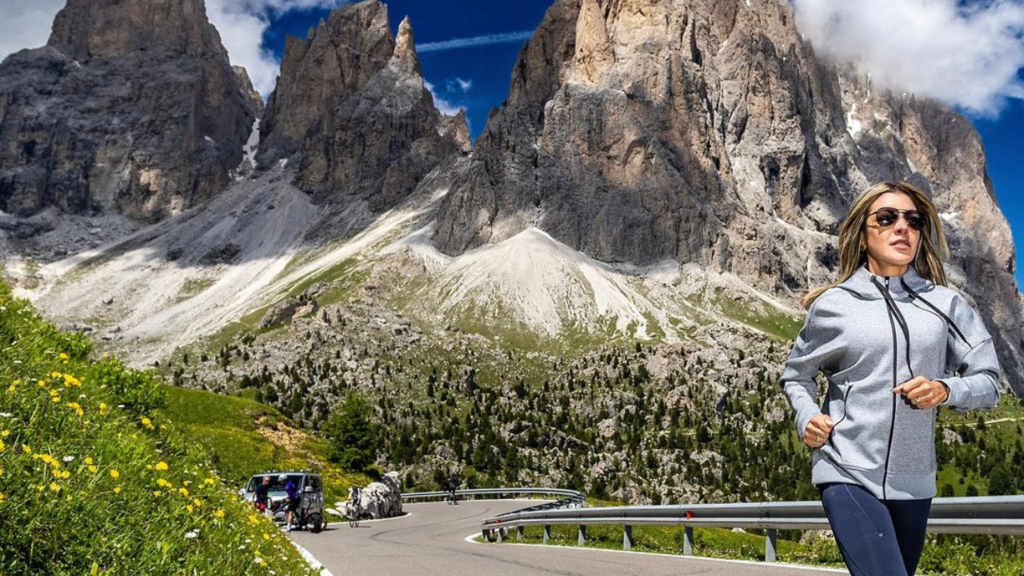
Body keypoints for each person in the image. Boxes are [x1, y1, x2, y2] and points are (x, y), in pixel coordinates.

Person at [781, 181, 1001, 576]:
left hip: (915, 483)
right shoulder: (834, 305)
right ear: (863, 235)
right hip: (846, 470)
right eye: (887, 218)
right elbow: (796, 376)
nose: (903, 227)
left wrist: (945, 389)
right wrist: (806, 416)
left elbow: (989, 383)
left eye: (913, 220)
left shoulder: (946, 304)